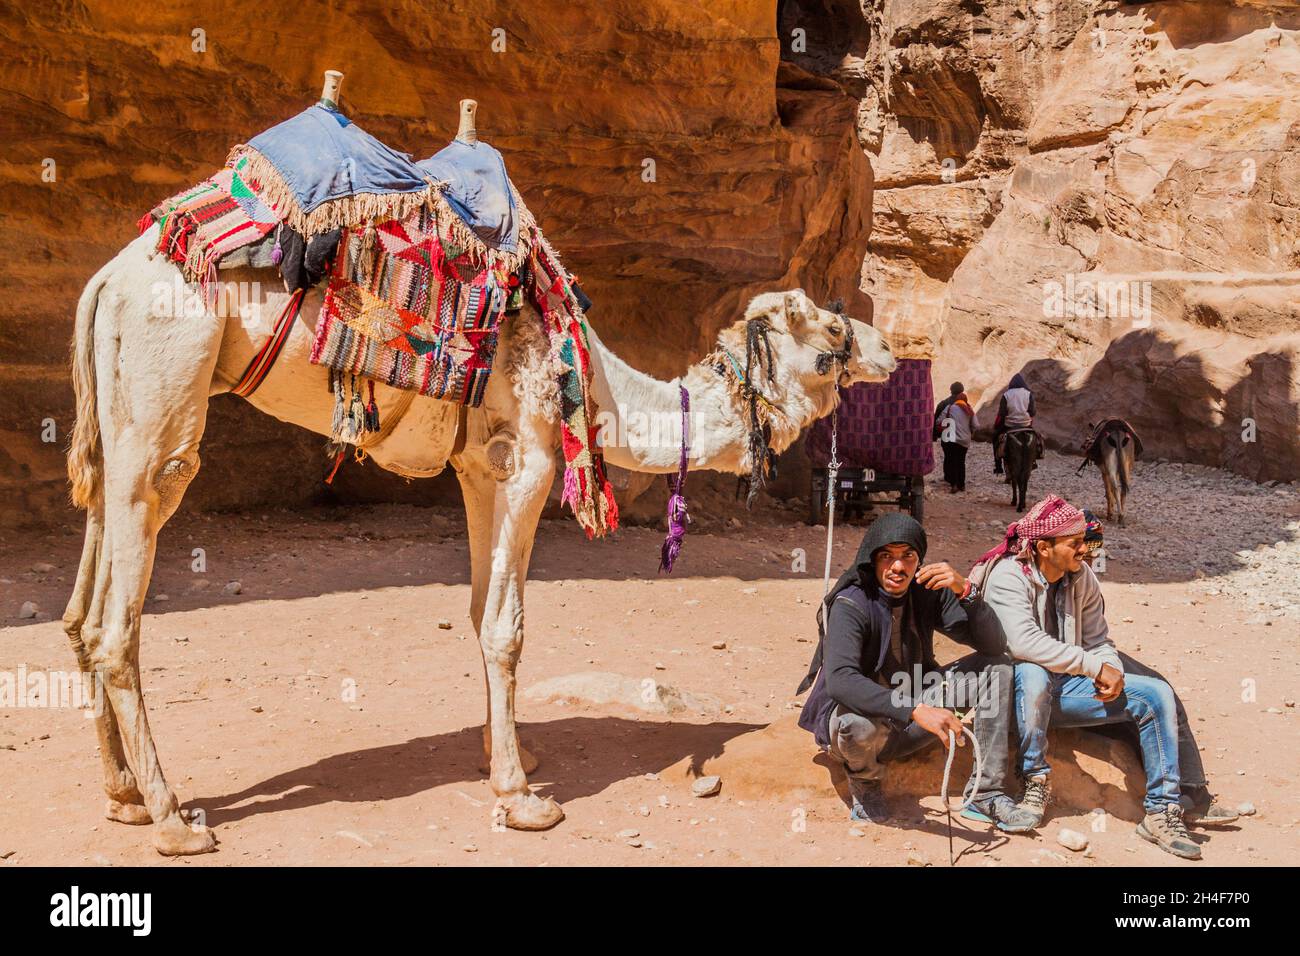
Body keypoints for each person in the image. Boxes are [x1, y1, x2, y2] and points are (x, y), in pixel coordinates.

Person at [977, 495, 1238, 860]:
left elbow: (1099, 638)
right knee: (1034, 675)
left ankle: (1165, 809)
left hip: (1069, 683)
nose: (1085, 550)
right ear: (1042, 547)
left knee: (1158, 692)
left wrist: (1109, 668)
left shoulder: (1081, 576)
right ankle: (1034, 779)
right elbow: (1023, 644)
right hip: (1020, 687)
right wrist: (1095, 666)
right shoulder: (1008, 576)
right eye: (1075, 543)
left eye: (1084, 541)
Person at [796, 512, 1037, 832]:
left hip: (911, 714)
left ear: (919, 560)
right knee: (856, 724)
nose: (898, 566)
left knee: (996, 667)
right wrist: (916, 709)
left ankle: (986, 792)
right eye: (887, 556)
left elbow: (993, 645)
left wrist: (967, 591)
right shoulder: (851, 602)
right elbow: (841, 680)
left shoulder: (925, 591)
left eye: (907, 556)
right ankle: (865, 784)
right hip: (869, 725)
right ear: (872, 560)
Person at [993, 373, 1035, 477]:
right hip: (1026, 424)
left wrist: (997, 425)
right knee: (1036, 439)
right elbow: (1032, 412)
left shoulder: (1006, 395)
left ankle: (998, 466)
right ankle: (1033, 461)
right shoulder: (1028, 394)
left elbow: (1002, 413)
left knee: (996, 439)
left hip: (1010, 425)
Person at [938, 390, 974, 493]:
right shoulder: (969, 410)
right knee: (961, 462)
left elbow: (939, 421)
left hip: (952, 439)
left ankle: (954, 485)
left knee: (953, 461)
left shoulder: (949, 408)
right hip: (964, 441)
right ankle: (962, 485)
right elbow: (976, 425)